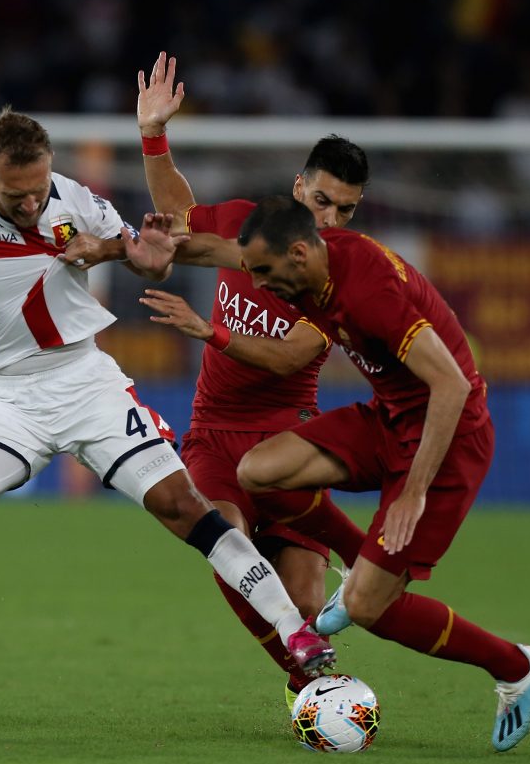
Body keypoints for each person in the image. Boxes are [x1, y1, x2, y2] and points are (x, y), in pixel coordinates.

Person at [0, 109, 335, 727]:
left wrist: (140, 250)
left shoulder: (79, 201)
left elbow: (152, 261)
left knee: (185, 507)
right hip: (10, 398)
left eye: (41, 186)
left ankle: (296, 634)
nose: (33, 201)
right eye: (17, 193)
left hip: (87, 384)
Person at [142, 196, 530, 752]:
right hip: (388, 419)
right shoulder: (318, 256)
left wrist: (413, 492)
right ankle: (359, 558)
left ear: (297, 253)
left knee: (369, 608)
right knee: (260, 471)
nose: (260, 287)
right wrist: (116, 241)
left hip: (447, 439)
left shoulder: (368, 294)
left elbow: (453, 385)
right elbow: (214, 246)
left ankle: (516, 666)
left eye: (265, 274)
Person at [135, 52, 369, 706]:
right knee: (227, 544)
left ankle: (340, 617)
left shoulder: (341, 277)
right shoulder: (249, 226)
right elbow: (179, 218)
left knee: (300, 601)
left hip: (289, 439)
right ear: (299, 188)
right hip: (215, 434)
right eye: (322, 201)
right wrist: (154, 135)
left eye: (345, 211)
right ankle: (314, 683)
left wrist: (209, 331)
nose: (330, 221)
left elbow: (290, 358)